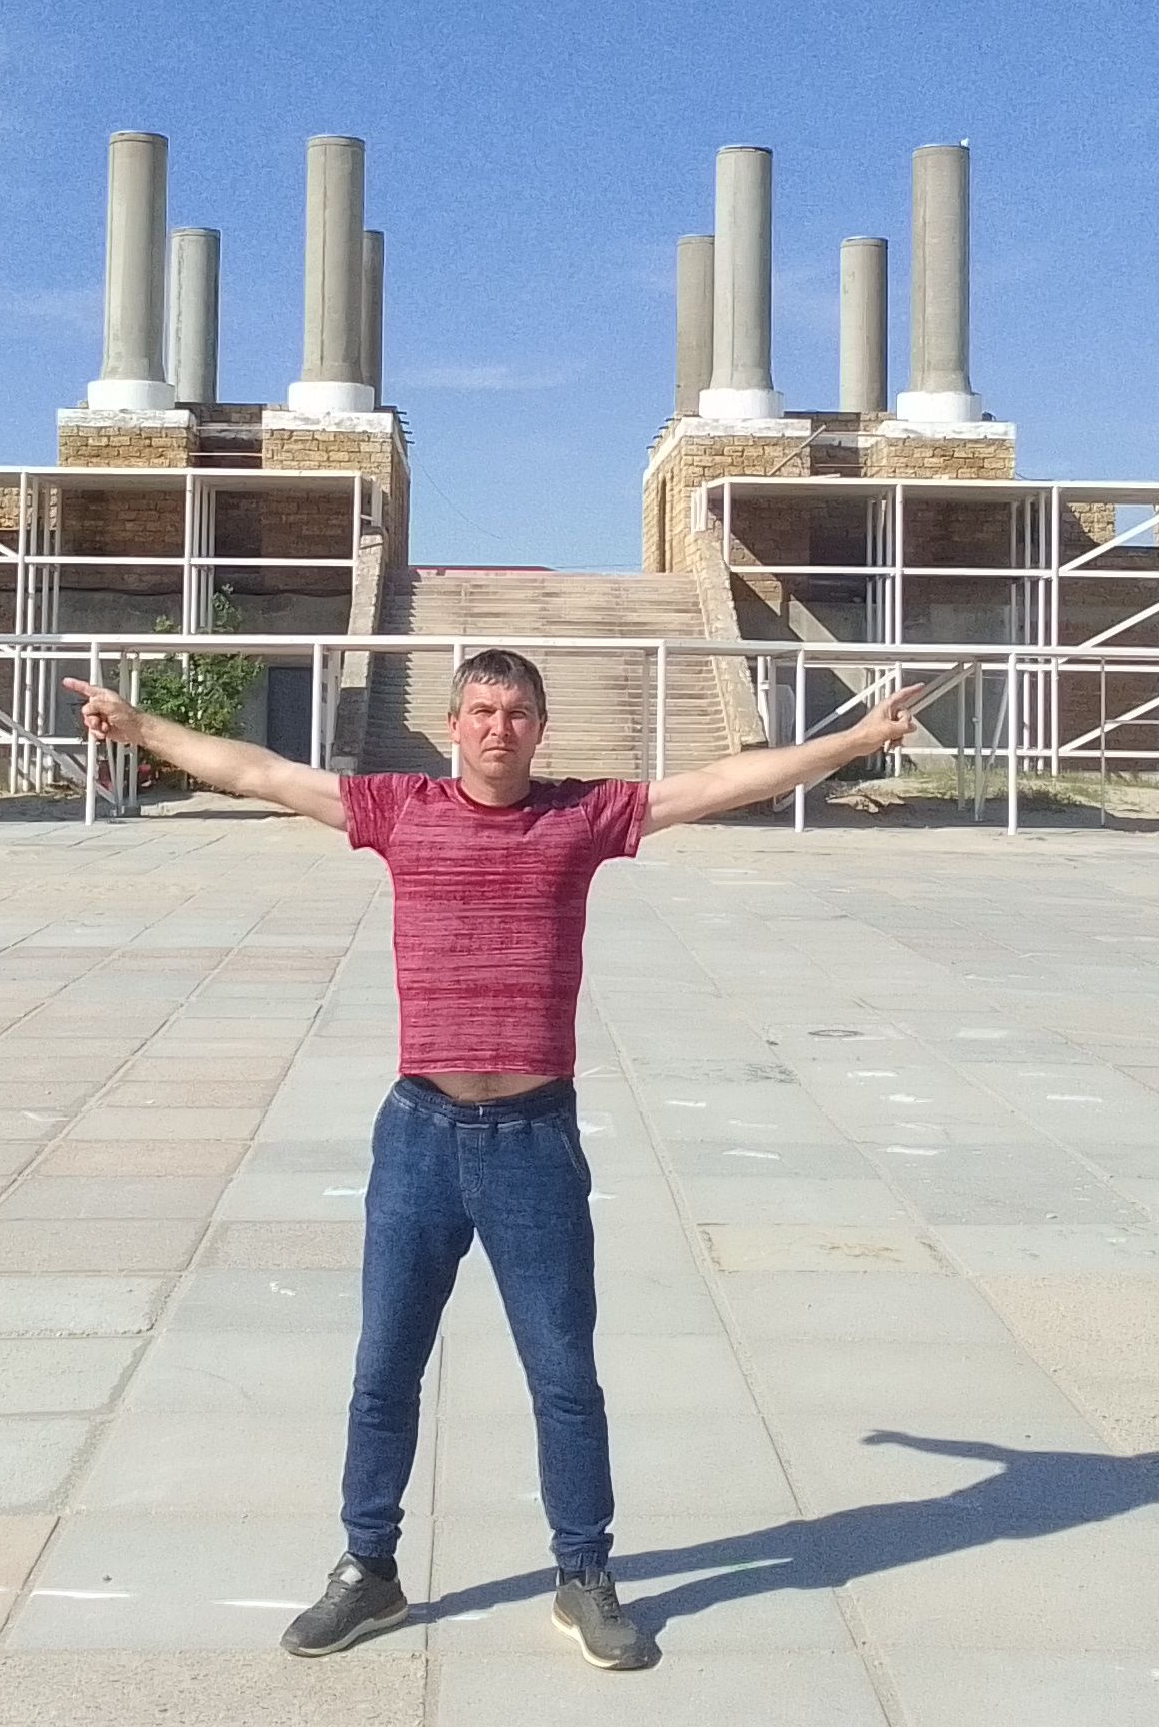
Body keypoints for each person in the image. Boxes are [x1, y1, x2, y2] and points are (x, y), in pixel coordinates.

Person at [64, 648, 925, 1672]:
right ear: (453, 723)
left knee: (564, 1375)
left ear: (540, 727)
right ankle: (368, 1569)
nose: (497, 728)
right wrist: (143, 729)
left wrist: (854, 740)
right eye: (481, 710)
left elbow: (717, 784)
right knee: (385, 1370)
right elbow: (261, 772)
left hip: (534, 1143)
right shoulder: (399, 810)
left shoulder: (582, 817)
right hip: (418, 1136)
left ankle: (584, 1573)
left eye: (516, 712)